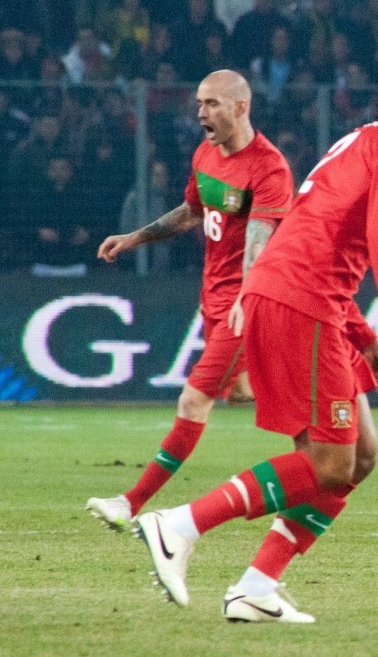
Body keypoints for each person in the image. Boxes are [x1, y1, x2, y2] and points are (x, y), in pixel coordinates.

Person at [129, 52, 378, 623]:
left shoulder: (372, 134)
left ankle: (256, 587)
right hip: (302, 300)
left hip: (305, 298)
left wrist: (365, 339)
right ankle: (180, 525)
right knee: (331, 464)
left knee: (358, 455)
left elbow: (324, 234)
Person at [86, 70, 295, 531]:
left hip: (246, 303)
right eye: (199, 103)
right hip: (214, 299)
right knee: (239, 392)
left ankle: (130, 502)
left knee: (193, 400)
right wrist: (135, 237)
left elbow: (260, 247)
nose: (201, 112)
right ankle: (319, 393)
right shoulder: (206, 153)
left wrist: (248, 300)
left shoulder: (269, 168)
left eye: (213, 104)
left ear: (241, 107)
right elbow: (192, 213)